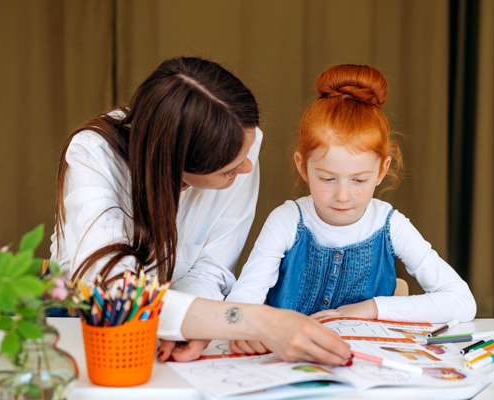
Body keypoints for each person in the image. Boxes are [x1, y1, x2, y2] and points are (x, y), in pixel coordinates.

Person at [51, 57, 350, 365]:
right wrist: (261, 321)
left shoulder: (239, 141)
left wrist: (195, 325)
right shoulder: (93, 154)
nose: (246, 167)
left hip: (172, 328)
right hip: (79, 323)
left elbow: (211, 267)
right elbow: (114, 293)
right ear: (175, 163)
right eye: (229, 171)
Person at [223, 64, 476, 355]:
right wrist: (243, 324)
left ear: (382, 171)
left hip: (366, 365)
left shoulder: (391, 226)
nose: (342, 196)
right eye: (327, 179)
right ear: (302, 166)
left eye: (359, 180)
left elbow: (462, 301)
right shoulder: (287, 221)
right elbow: (245, 298)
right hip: (288, 362)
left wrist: (370, 309)